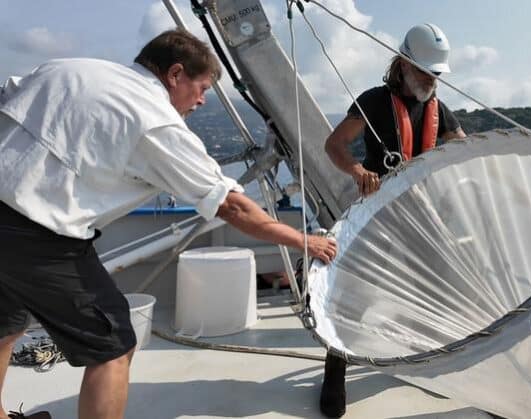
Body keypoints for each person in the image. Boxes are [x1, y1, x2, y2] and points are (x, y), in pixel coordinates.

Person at [0, 29, 336, 419]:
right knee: (115, 345)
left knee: (5, 326)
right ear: (175, 73)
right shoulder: (153, 118)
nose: (202, 99)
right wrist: (303, 240)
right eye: (202, 86)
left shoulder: (68, 69)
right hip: (37, 231)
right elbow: (233, 208)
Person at [321, 23, 466, 418]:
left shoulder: (441, 109)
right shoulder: (373, 101)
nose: (431, 80)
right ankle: (336, 364)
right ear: (403, 64)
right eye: (424, 72)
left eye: (436, 74)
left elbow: (464, 153)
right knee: (355, 292)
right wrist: (356, 172)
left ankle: (432, 361)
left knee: (437, 286)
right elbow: (334, 145)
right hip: (378, 214)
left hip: (420, 216)